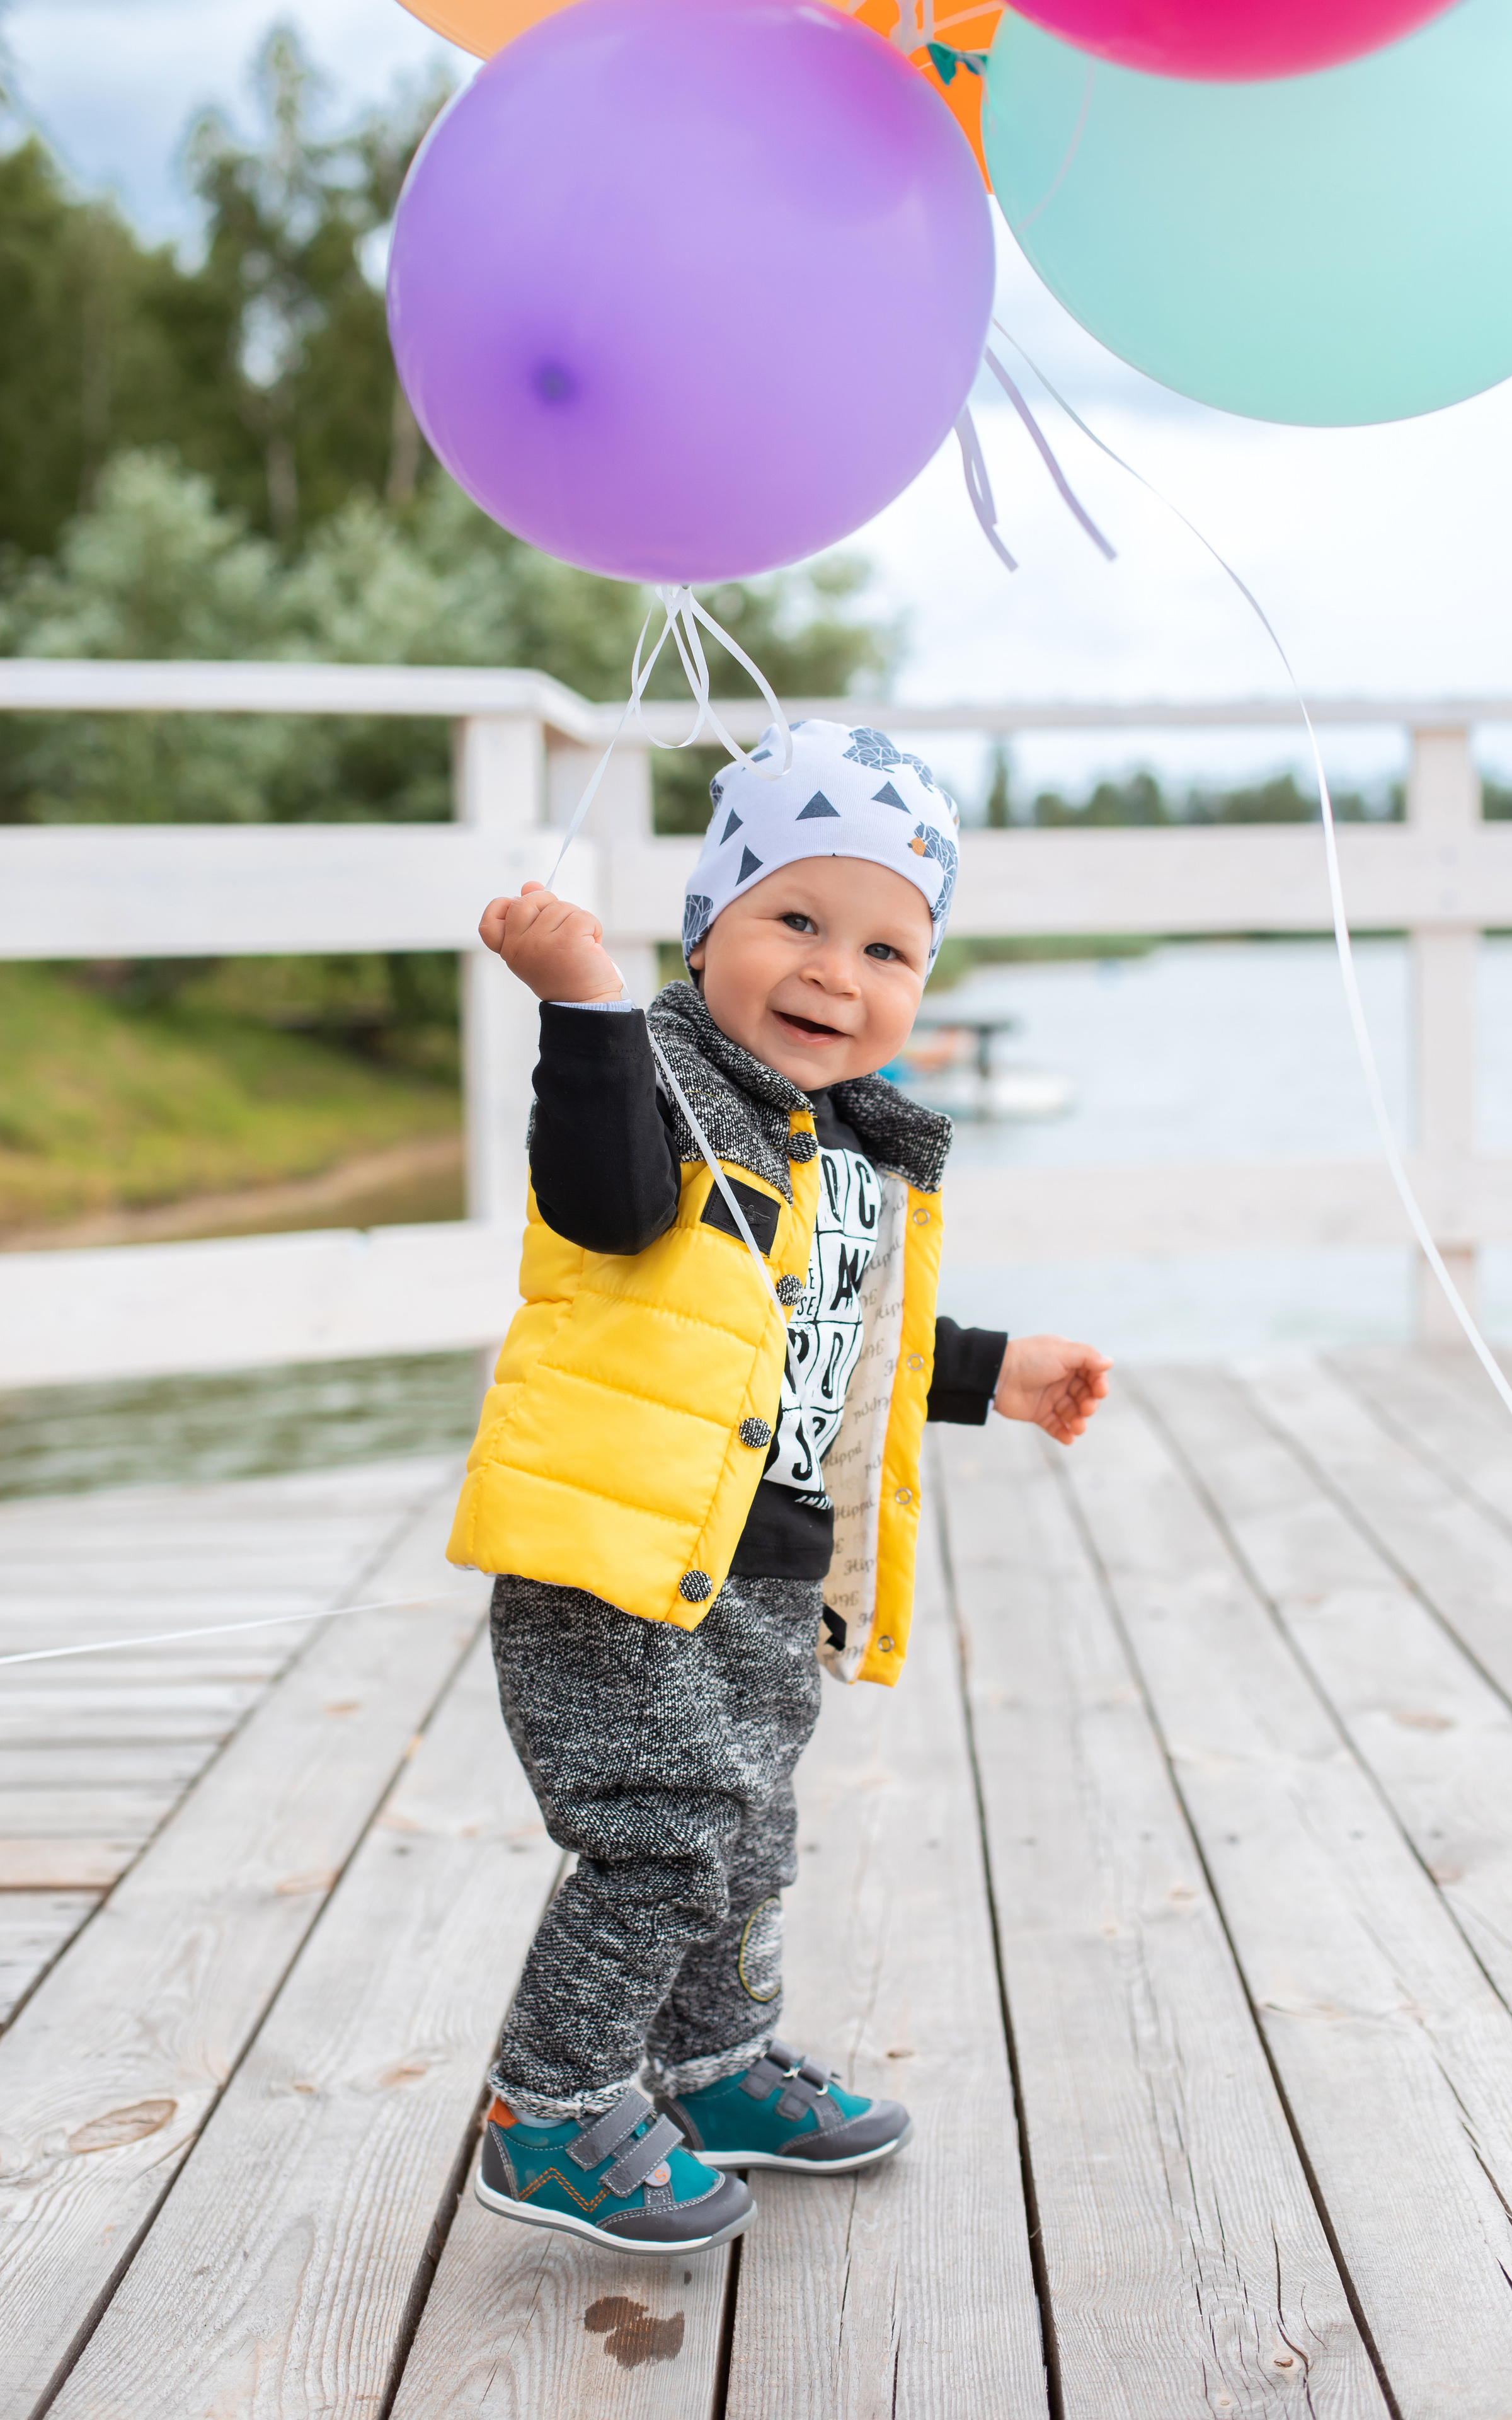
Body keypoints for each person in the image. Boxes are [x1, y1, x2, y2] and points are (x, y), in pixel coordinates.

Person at [450, 719, 1111, 2257]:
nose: (835, 972)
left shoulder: (842, 1153)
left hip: (757, 1576)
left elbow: (839, 1340)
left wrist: (996, 1369)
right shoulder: (664, 1085)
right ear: (708, 927)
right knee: (662, 1834)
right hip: (617, 1564)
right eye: (794, 920)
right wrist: (585, 1005)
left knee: (747, 1833)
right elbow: (605, 1209)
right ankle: (546, 2115)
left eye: (887, 946)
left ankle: (708, 2067)